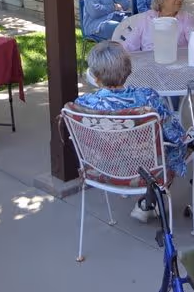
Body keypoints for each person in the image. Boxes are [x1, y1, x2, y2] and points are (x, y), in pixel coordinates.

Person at [76, 41, 187, 222]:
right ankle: (150, 202)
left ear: (95, 77)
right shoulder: (147, 98)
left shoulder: (83, 105)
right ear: (128, 70)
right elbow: (174, 136)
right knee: (179, 145)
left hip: (103, 169)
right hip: (146, 171)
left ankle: (148, 203)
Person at [121, 0, 194, 52]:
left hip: (177, 62)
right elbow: (129, 46)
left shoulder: (186, 18)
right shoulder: (146, 18)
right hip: (148, 62)